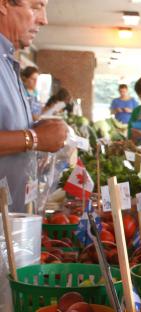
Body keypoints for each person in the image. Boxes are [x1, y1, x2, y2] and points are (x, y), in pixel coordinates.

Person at [0, 0, 67, 213]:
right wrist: (34, 138)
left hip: (11, 223)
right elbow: (27, 138)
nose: (44, 19)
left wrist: (38, 132)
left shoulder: (8, 62)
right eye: (36, 6)